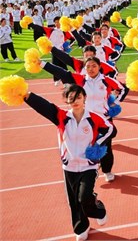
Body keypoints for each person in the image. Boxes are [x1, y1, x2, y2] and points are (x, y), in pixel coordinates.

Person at [24, 84, 113, 241]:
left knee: (84, 197)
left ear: (84, 98)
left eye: (78, 97)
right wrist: (27, 95)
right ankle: (81, 227)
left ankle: (98, 210)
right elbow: (44, 106)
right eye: (71, 98)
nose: (75, 101)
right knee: (74, 201)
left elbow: (111, 130)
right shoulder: (61, 116)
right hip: (69, 166)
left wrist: (97, 147)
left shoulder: (94, 118)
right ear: (66, 100)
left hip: (88, 165)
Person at [40, 57, 128, 182]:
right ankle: (89, 170)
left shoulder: (107, 81)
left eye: (94, 66)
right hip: (86, 119)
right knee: (84, 146)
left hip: (104, 120)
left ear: (99, 67)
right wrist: (42, 64)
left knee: (105, 146)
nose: (91, 69)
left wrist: (114, 103)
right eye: (88, 66)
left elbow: (123, 89)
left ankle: (107, 171)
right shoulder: (80, 80)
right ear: (84, 69)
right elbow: (61, 73)